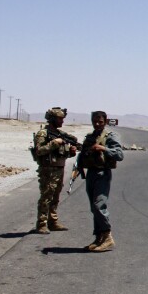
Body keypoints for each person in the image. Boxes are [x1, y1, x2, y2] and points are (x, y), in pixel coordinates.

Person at [78, 111, 124, 252]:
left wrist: (103, 148)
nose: (97, 124)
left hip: (102, 173)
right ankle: (99, 238)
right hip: (91, 173)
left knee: (99, 205)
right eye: (95, 121)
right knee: (94, 207)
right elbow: (83, 153)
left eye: (100, 122)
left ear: (105, 121)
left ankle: (107, 236)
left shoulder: (110, 136)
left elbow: (119, 154)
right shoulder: (90, 137)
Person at [32, 106, 78, 234]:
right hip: (48, 170)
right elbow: (39, 151)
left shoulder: (59, 134)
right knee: (46, 196)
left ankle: (53, 221)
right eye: (59, 119)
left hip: (59, 168)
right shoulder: (43, 134)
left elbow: (62, 153)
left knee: (55, 196)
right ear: (52, 119)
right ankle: (41, 223)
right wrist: (54, 143)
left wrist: (72, 152)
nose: (62, 121)